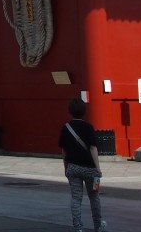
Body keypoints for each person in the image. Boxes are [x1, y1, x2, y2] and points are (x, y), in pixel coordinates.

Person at [58, 96, 103, 232]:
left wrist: (66, 167)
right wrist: (98, 168)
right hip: (90, 169)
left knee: (76, 198)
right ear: (84, 111)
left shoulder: (65, 128)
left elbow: (63, 150)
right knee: (94, 197)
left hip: (73, 167)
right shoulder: (88, 127)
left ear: (70, 111)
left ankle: (78, 227)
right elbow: (93, 148)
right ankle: (98, 225)